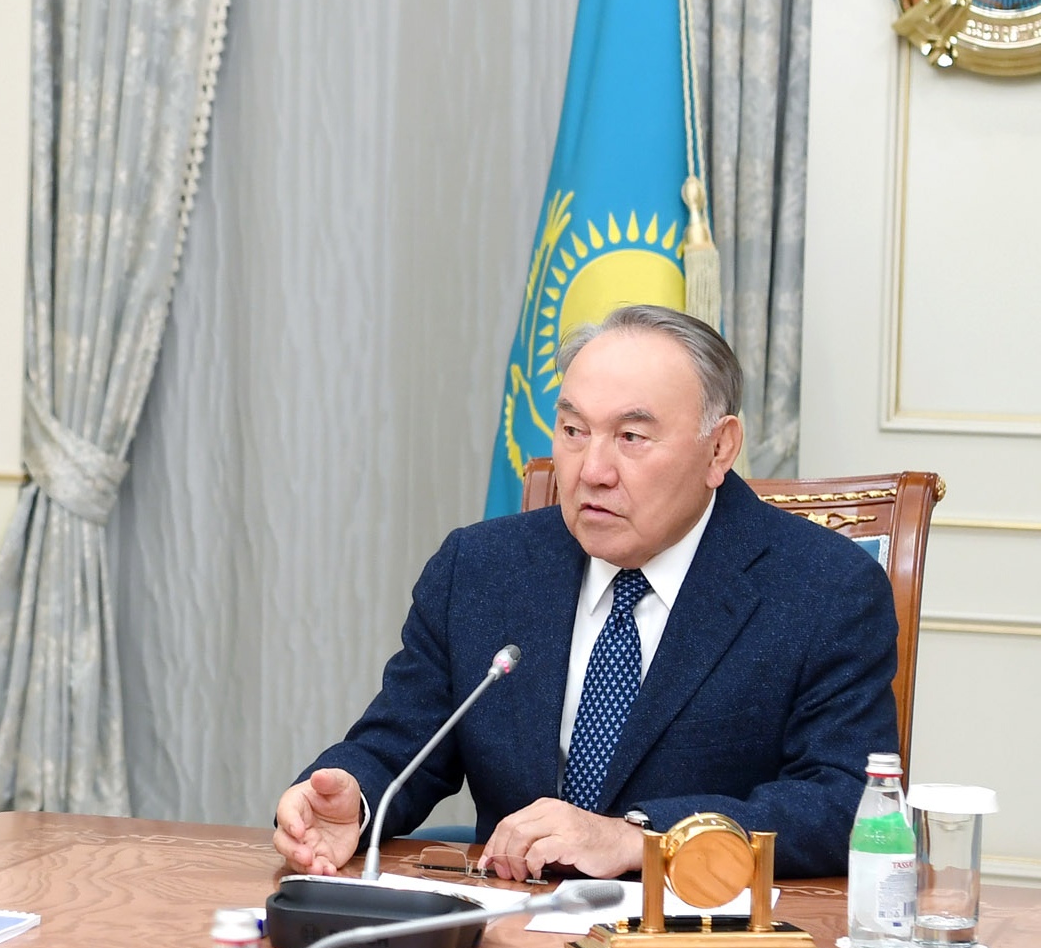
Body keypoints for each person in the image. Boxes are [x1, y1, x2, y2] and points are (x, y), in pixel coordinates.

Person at [273, 304, 898, 883]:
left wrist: (640, 838)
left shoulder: (824, 588)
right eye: (573, 430)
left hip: (695, 942)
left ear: (719, 448)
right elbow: (403, 744)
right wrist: (352, 796)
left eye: (631, 438)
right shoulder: (481, 569)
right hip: (508, 933)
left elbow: (846, 801)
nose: (592, 471)